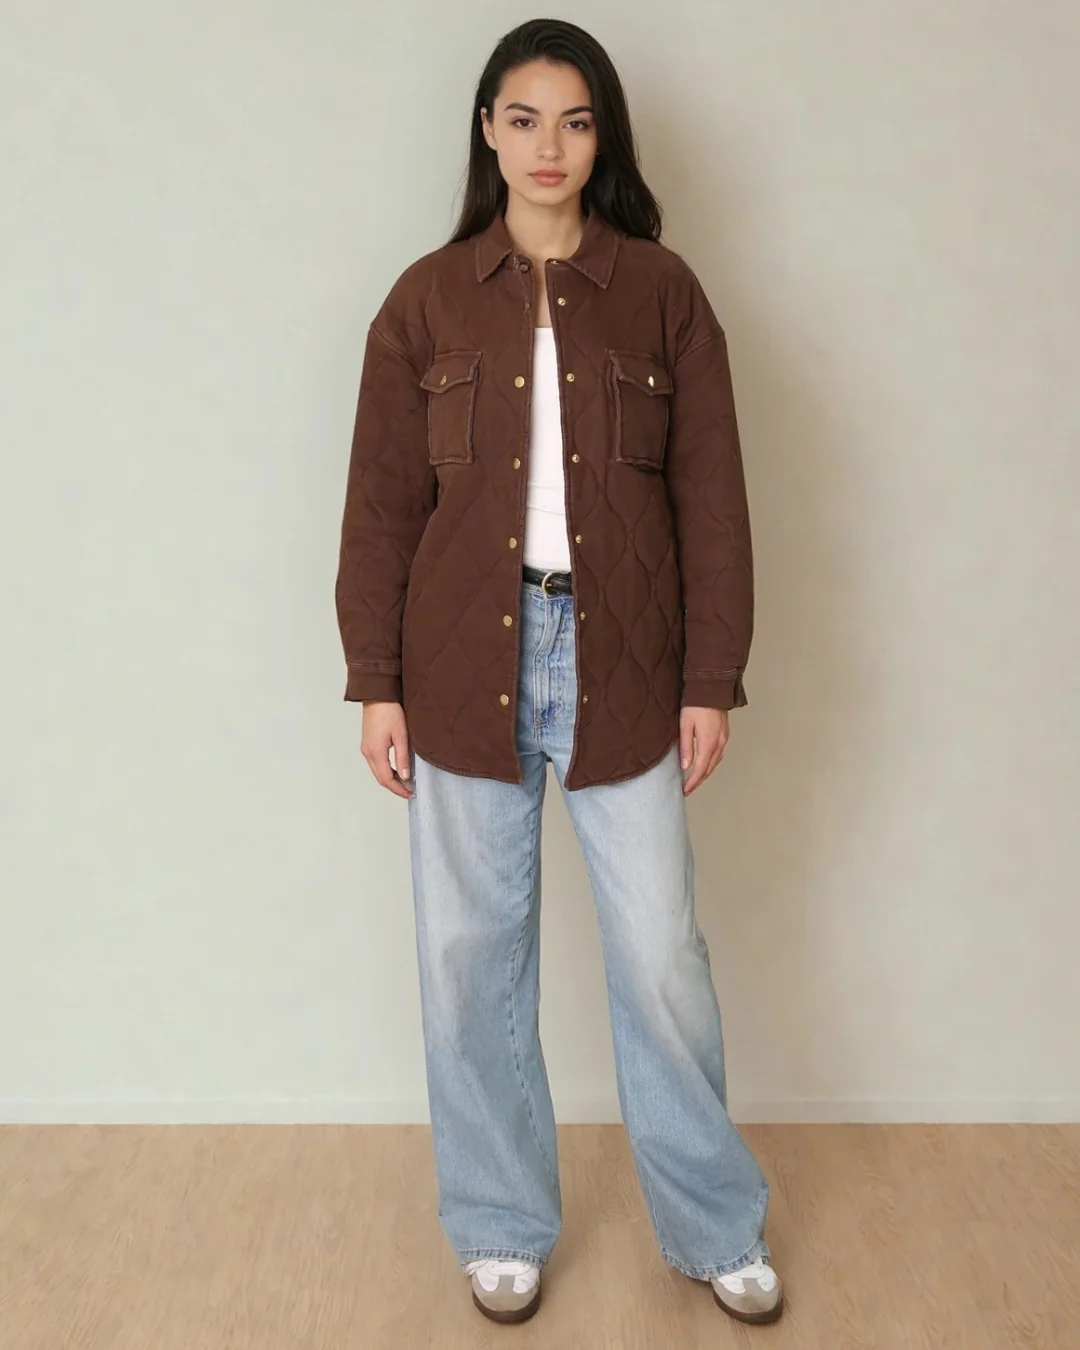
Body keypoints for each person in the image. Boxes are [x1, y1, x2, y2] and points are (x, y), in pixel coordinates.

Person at [334, 17, 783, 1328]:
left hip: (624, 660)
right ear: (487, 129)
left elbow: (714, 505)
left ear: (603, 138)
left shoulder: (663, 293)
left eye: (576, 122)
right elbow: (379, 507)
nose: (549, 146)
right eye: (524, 118)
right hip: (458, 660)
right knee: (468, 957)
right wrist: (376, 678)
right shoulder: (424, 301)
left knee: (660, 956)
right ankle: (499, 1221)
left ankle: (715, 1225)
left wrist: (712, 677)